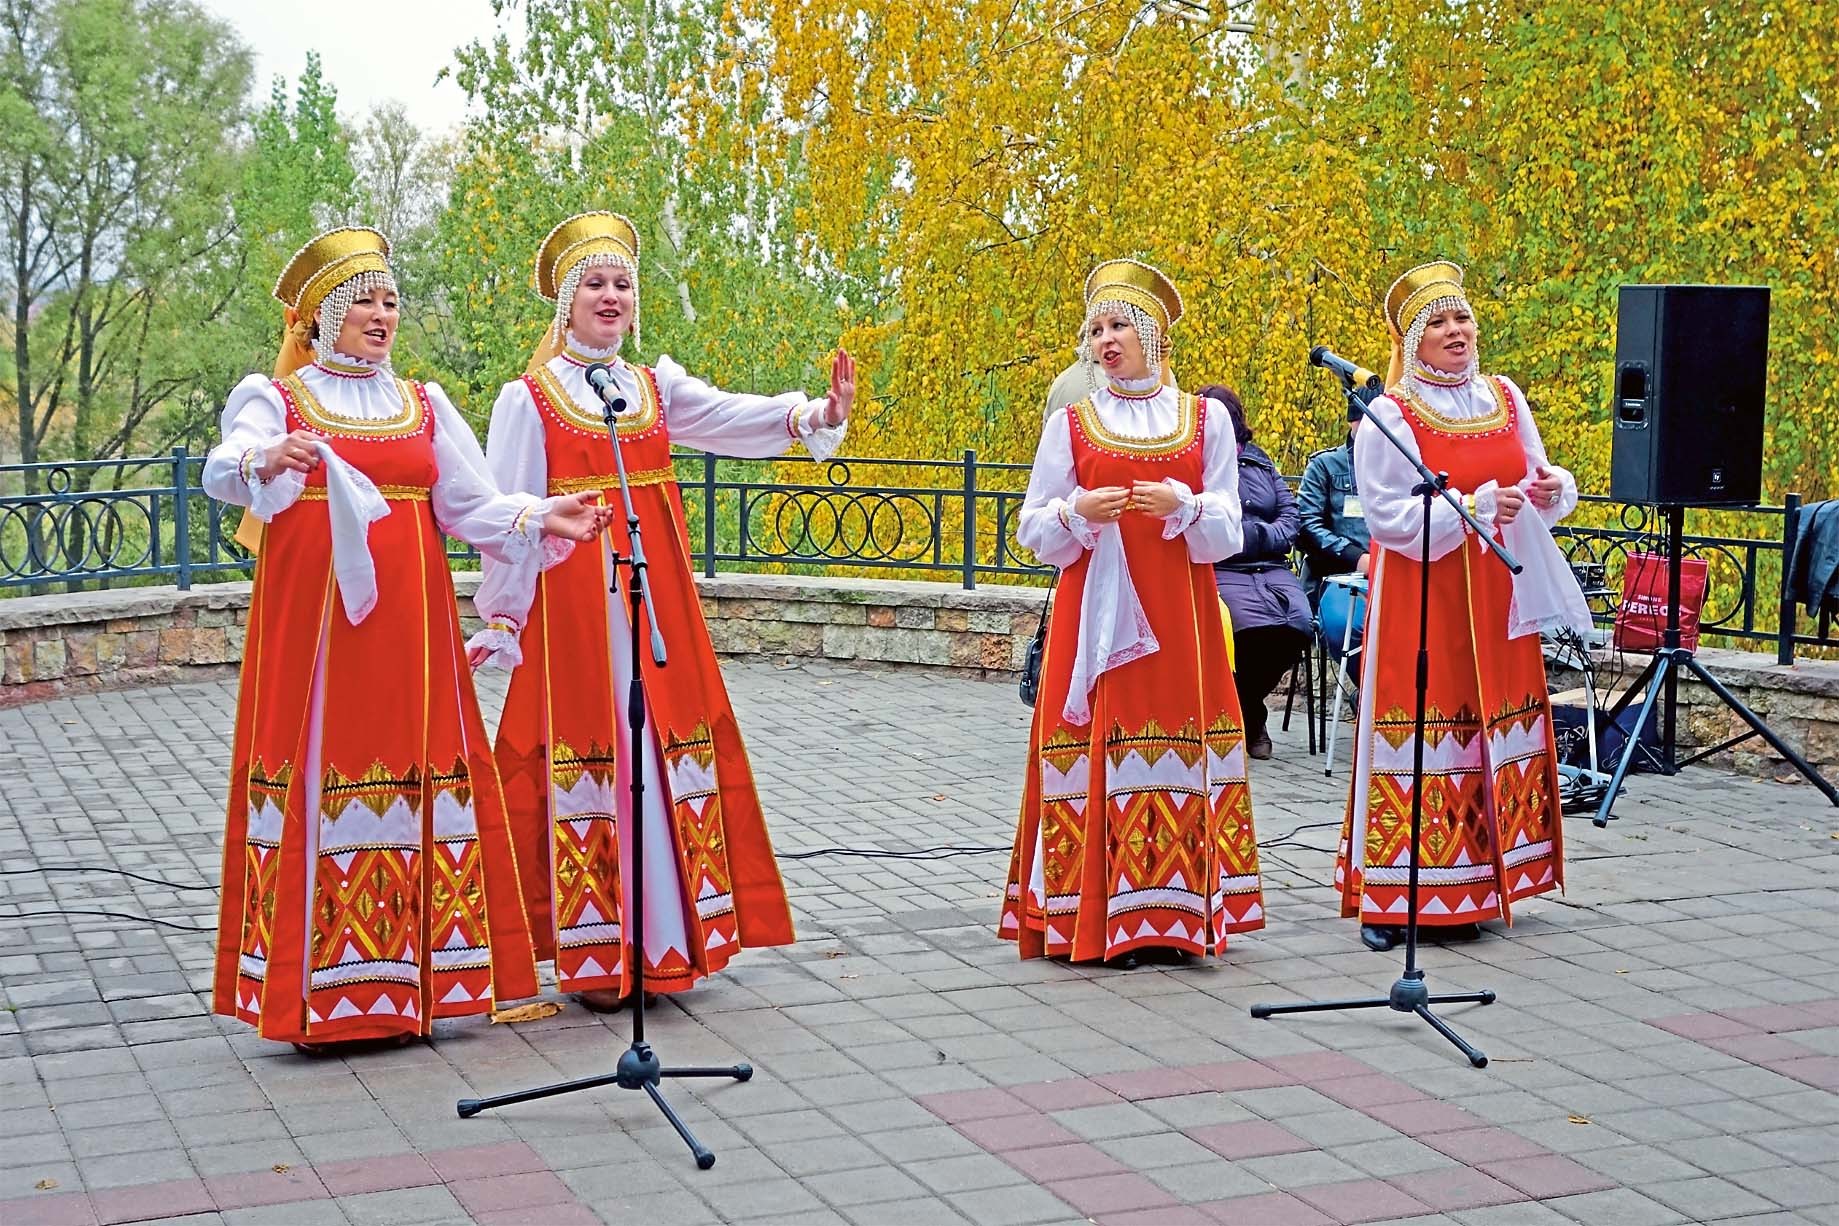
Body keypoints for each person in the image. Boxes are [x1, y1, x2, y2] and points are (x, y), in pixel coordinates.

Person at [204, 227, 612, 1050]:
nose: (382, 315)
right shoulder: (276, 399)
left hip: (414, 627)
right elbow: (225, 467)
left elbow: (470, 505)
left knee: (421, 771)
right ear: (322, 317)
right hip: (320, 628)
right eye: (364, 301)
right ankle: (323, 997)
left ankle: (414, 985)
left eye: (391, 301)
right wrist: (268, 459)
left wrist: (542, 516)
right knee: (324, 765)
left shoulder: (422, 403)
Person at [469, 212, 852, 1007]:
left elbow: (728, 416)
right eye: (595, 285)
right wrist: (503, 615)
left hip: (655, 595)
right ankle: (597, 949)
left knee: (658, 742)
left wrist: (814, 415)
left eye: (622, 285)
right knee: (596, 749)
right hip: (575, 605)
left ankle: (668, 940)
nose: (611, 297)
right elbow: (508, 513)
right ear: (567, 303)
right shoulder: (528, 399)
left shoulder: (649, 388)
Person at [999, 259, 1264, 966]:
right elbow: (1032, 528)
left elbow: (1229, 528)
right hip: (1094, 615)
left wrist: (1184, 505)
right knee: (1100, 740)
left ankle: (1172, 918)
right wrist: (1077, 511)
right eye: (1096, 330)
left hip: (1179, 614)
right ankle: (1093, 914)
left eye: (1119, 326)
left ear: (1152, 336)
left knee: (1175, 738)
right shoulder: (1072, 424)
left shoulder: (1203, 420)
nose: (1105, 341)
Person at [1335, 261, 1590, 952]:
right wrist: (1470, 508)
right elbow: (1388, 519)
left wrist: (1549, 490)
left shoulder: (1504, 396)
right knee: (1424, 723)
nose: (1455, 331)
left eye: (1462, 318)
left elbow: (1532, 475)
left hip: (1498, 591)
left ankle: (1474, 882)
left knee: (1488, 721)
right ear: (1411, 342)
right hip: (1425, 593)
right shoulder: (1390, 415)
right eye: (1438, 323)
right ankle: (1394, 896)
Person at [1199, 384, 1311, 761]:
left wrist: (1259, 536)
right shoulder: (1197, 464)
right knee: (1246, 627)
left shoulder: (1259, 461)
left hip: (1271, 565)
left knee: (1298, 624)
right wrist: (1244, 538)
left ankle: (1245, 707)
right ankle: (1252, 717)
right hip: (1223, 567)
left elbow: (1290, 515)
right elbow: (1207, 524)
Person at [1297, 418, 1372, 607]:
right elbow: (1306, 526)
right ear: (1352, 421)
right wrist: (1355, 557)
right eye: (1364, 419)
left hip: (1391, 578)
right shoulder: (1324, 465)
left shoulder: (1402, 468)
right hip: (1337, 580)